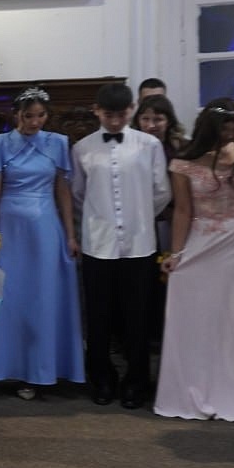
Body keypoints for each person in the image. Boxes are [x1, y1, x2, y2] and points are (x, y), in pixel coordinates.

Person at [154, 100, 234, 424]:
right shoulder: (183, 162)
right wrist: (175, 254)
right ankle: (194, 388)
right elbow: (183, 210)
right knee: (197, 316)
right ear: (210, 128)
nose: (231, 135)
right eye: (226, 129)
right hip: (201, 240)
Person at [0, 87, 84, 399]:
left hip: (46, 227)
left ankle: (44, 368)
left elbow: (63, 191)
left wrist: (70, 235)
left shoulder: (58, 143)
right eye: (28, 116)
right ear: (16, 115)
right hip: (10, 228)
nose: (35, 122)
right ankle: (11, 368)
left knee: (44, 297)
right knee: (10, 297)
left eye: (40, 116)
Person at [73, 83, 172, 409]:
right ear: (97, 111)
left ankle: (136, 381)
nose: (115, 121)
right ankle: (101, 378)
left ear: (131, 110)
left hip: (139, 243)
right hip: (98, 244)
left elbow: (161, 192)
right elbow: (78, 194)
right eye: (108, 115)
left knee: (137, 317)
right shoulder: (83, 148)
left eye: (121, 114)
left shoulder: (149, 145)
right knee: (98, 316)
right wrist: (100, 219)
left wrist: (137, 216)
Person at [132, 94, 187, 354]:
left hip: (175, 217)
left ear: (169, 121)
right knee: (148, 281)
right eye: (146, 119)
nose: (151, 125)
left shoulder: (181, 148)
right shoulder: (132, 147)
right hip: (143, 220)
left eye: (158, 119)